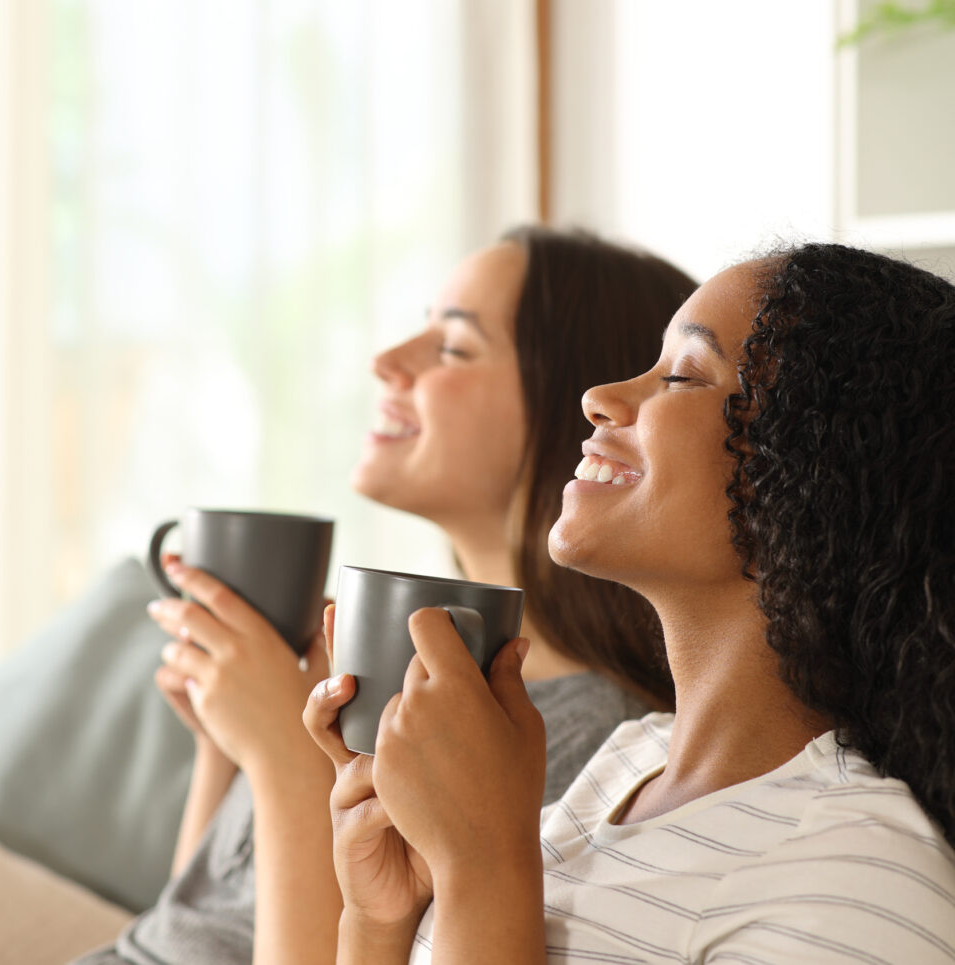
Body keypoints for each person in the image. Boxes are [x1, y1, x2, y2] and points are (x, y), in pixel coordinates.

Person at [304, 242, 955, 963]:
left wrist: (484, 867)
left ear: (816, 476)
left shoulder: (852, 877)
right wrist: (384, 916)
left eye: (682, 375)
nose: (599, 397)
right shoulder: (621, 766)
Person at [69, 226, 698, 965]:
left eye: (454, 347)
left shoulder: (568, 746)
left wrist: (281, 754)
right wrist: (224, 744)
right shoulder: (398, 679)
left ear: (583, 407)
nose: (387, 360)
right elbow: (183, 930)